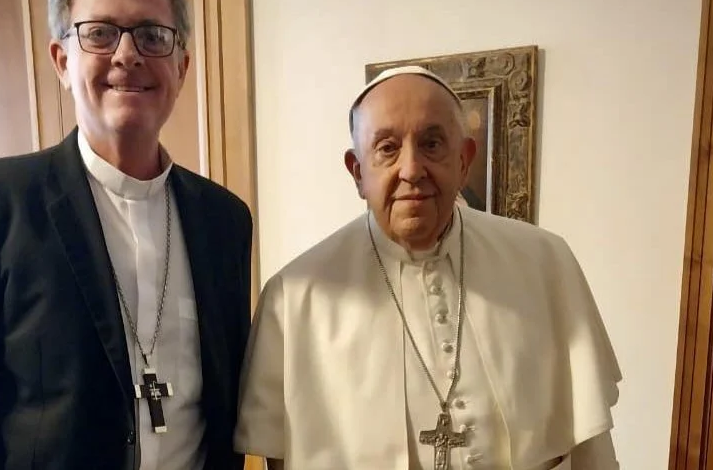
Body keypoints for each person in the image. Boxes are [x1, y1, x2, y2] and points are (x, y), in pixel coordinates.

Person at [0, 0, 252, 469]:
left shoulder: (224, 220)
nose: (128, 54)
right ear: (62, 60)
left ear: (181, 66)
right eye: (101, 33)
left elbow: (222, 411)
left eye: (152, 35)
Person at [234, 66, 621, 470]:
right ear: (357, 171)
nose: (411, 170)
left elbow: (591, 447)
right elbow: (277, 458)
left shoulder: (546, 263)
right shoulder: (294, 297)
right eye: (386, 148)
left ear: (464, 159)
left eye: (432, 143)